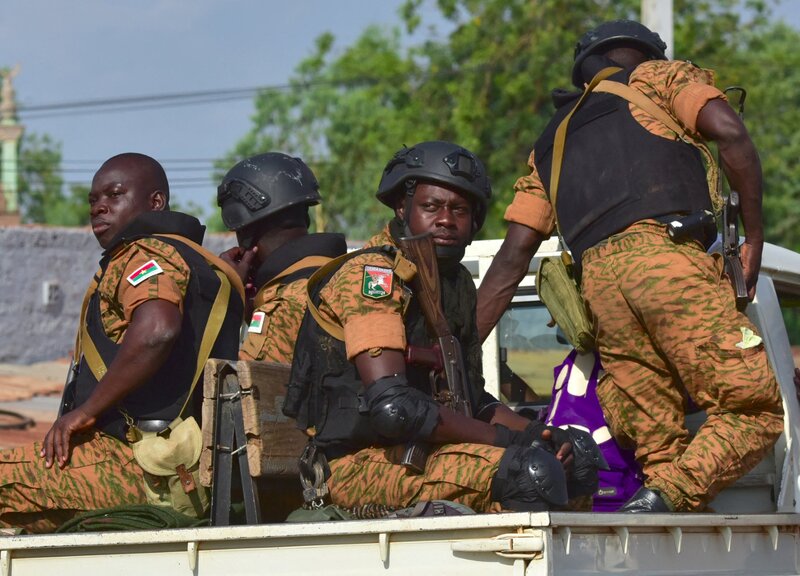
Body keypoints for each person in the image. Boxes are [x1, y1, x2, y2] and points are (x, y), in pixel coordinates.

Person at [476, 20, 784, 512]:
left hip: (602, 294)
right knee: (754, 411)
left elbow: (512, 258)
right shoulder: (657, 79)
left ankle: (661, 504)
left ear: (584, 73)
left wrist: (462, 350)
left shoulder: (550, 142)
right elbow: (730, 133)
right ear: (646, 55)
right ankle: (669, 494)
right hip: (669, 262)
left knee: (660, 448)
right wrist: (755, 237)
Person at [284, 141, 603, 515]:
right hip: (355, 466)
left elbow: (471, 399)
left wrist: (538, 435)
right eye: (431, 207)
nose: (446, 221)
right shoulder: (374, 276)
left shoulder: (455, 285)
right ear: (403, 208)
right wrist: (509, 443)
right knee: (527, 472)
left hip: (424, 453)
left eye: (460, 210)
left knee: (576, 462)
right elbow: (394, 408)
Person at [0, 153, 244, 532]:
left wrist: (84, 412)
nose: (99, 207)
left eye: (114, 195)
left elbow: (157, 329)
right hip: (184, 470)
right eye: (93, 200)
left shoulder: (142, 252)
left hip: (137, 462)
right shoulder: (199, 262)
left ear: (155, 202)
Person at [217, 152, 347, 364]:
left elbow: (239, 387)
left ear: (247, 235)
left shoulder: (283, 305)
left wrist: (229, 302)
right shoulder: (339, 275)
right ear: (305, 218)